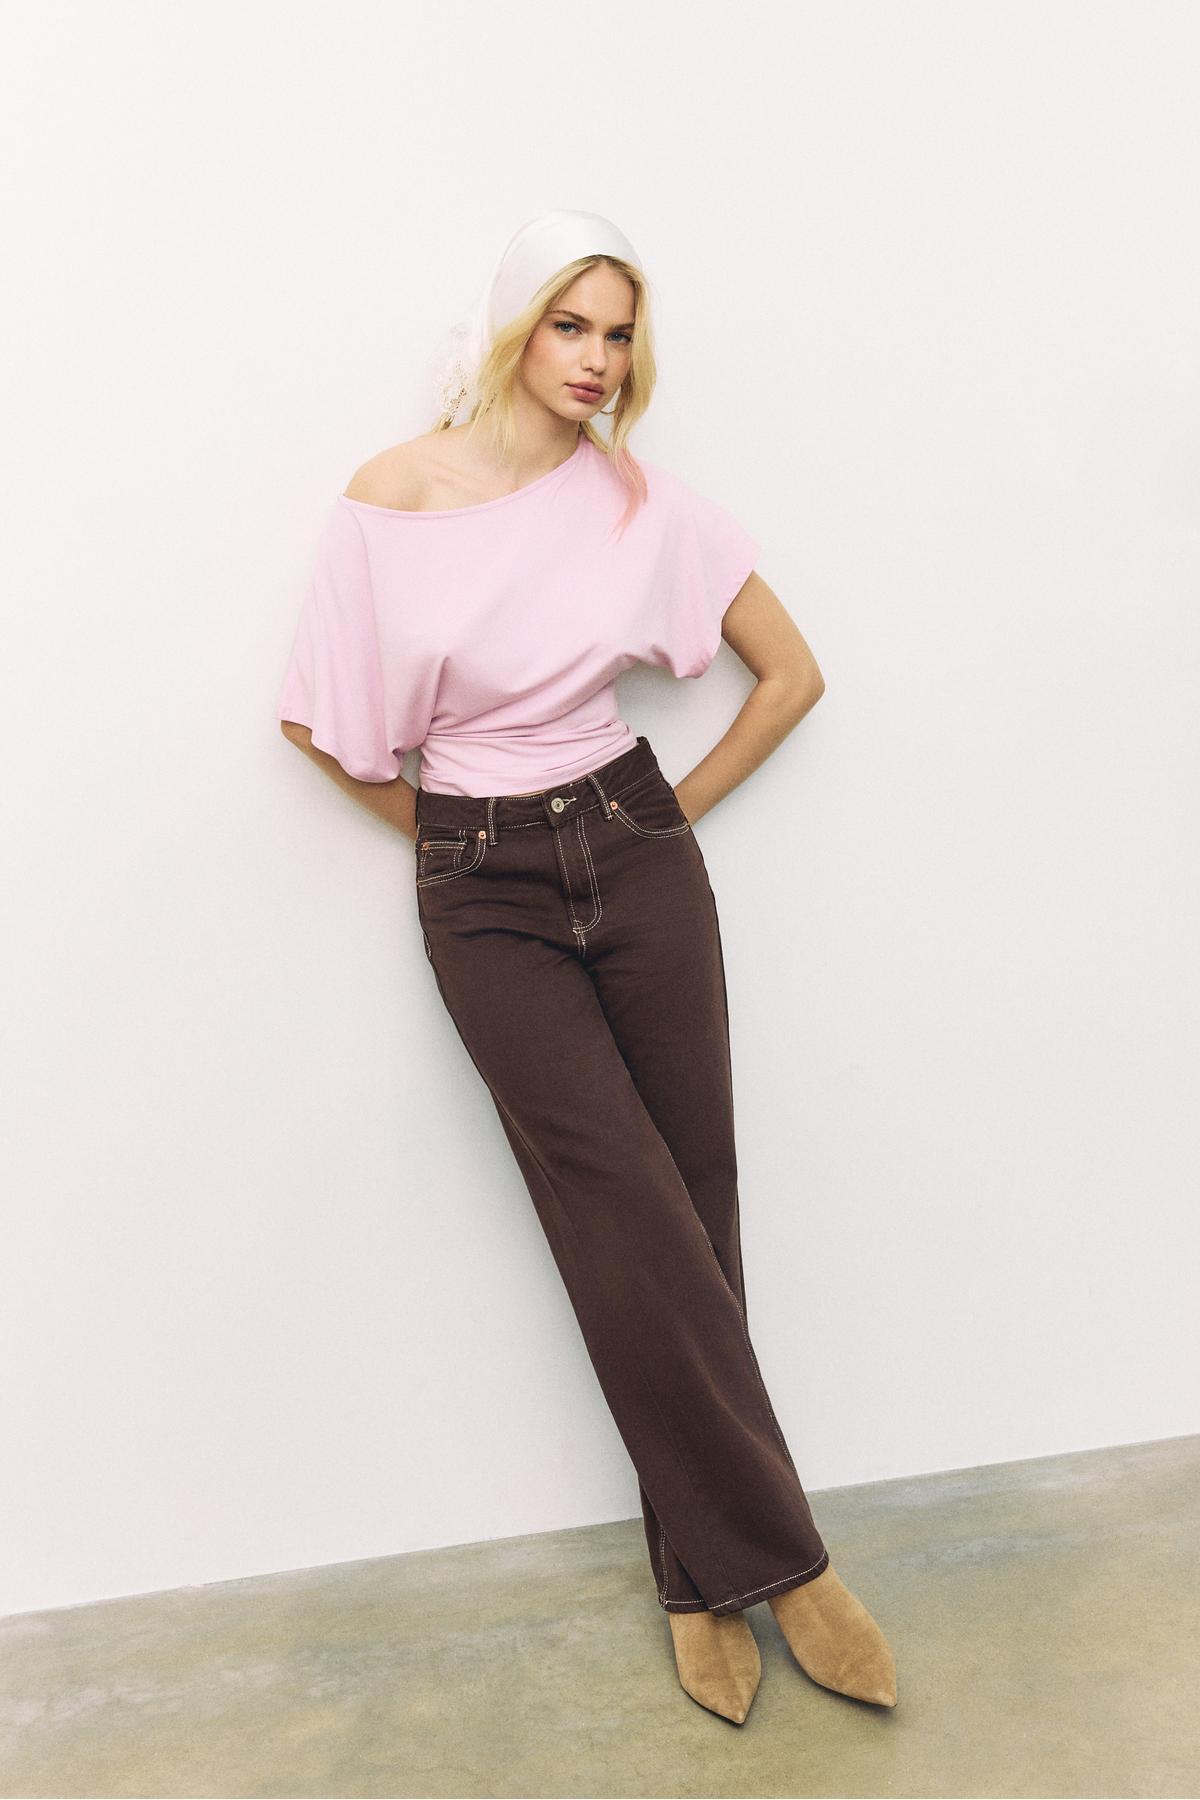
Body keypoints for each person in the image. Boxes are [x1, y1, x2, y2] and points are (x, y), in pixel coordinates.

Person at [276, 209, 897, 1725]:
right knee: (619, 1210)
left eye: (619, 334)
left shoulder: (635, 500)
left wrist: (662, 815)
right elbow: (315, 719)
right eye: (572, 326)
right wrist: (454, 835)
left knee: (694, 1204)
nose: (599, 360)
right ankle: (793, 1567)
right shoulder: (390, 497)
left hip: (634, 851)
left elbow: (793, 674)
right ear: (513, 328)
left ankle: (698, 1576)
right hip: (481, 888)